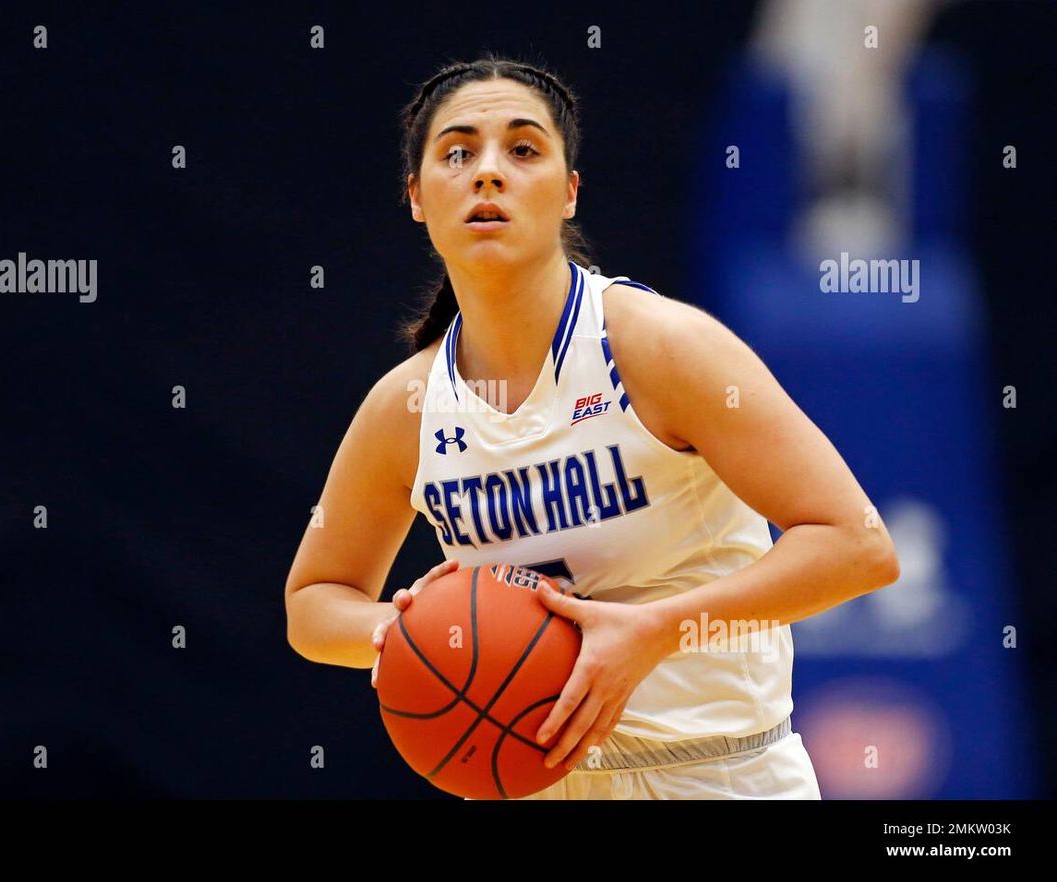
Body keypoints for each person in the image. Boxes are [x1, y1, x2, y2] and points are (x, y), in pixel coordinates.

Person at [283, 53, 900, 799]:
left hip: (718, 775)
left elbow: (858, 545)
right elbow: (315, 599)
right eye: (456, 152)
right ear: (416, 196)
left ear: (569, 191)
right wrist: (403, 633)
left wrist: (657, 630)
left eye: (522, 149)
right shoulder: (406, 406)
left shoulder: (660, 347)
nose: (487, 172)